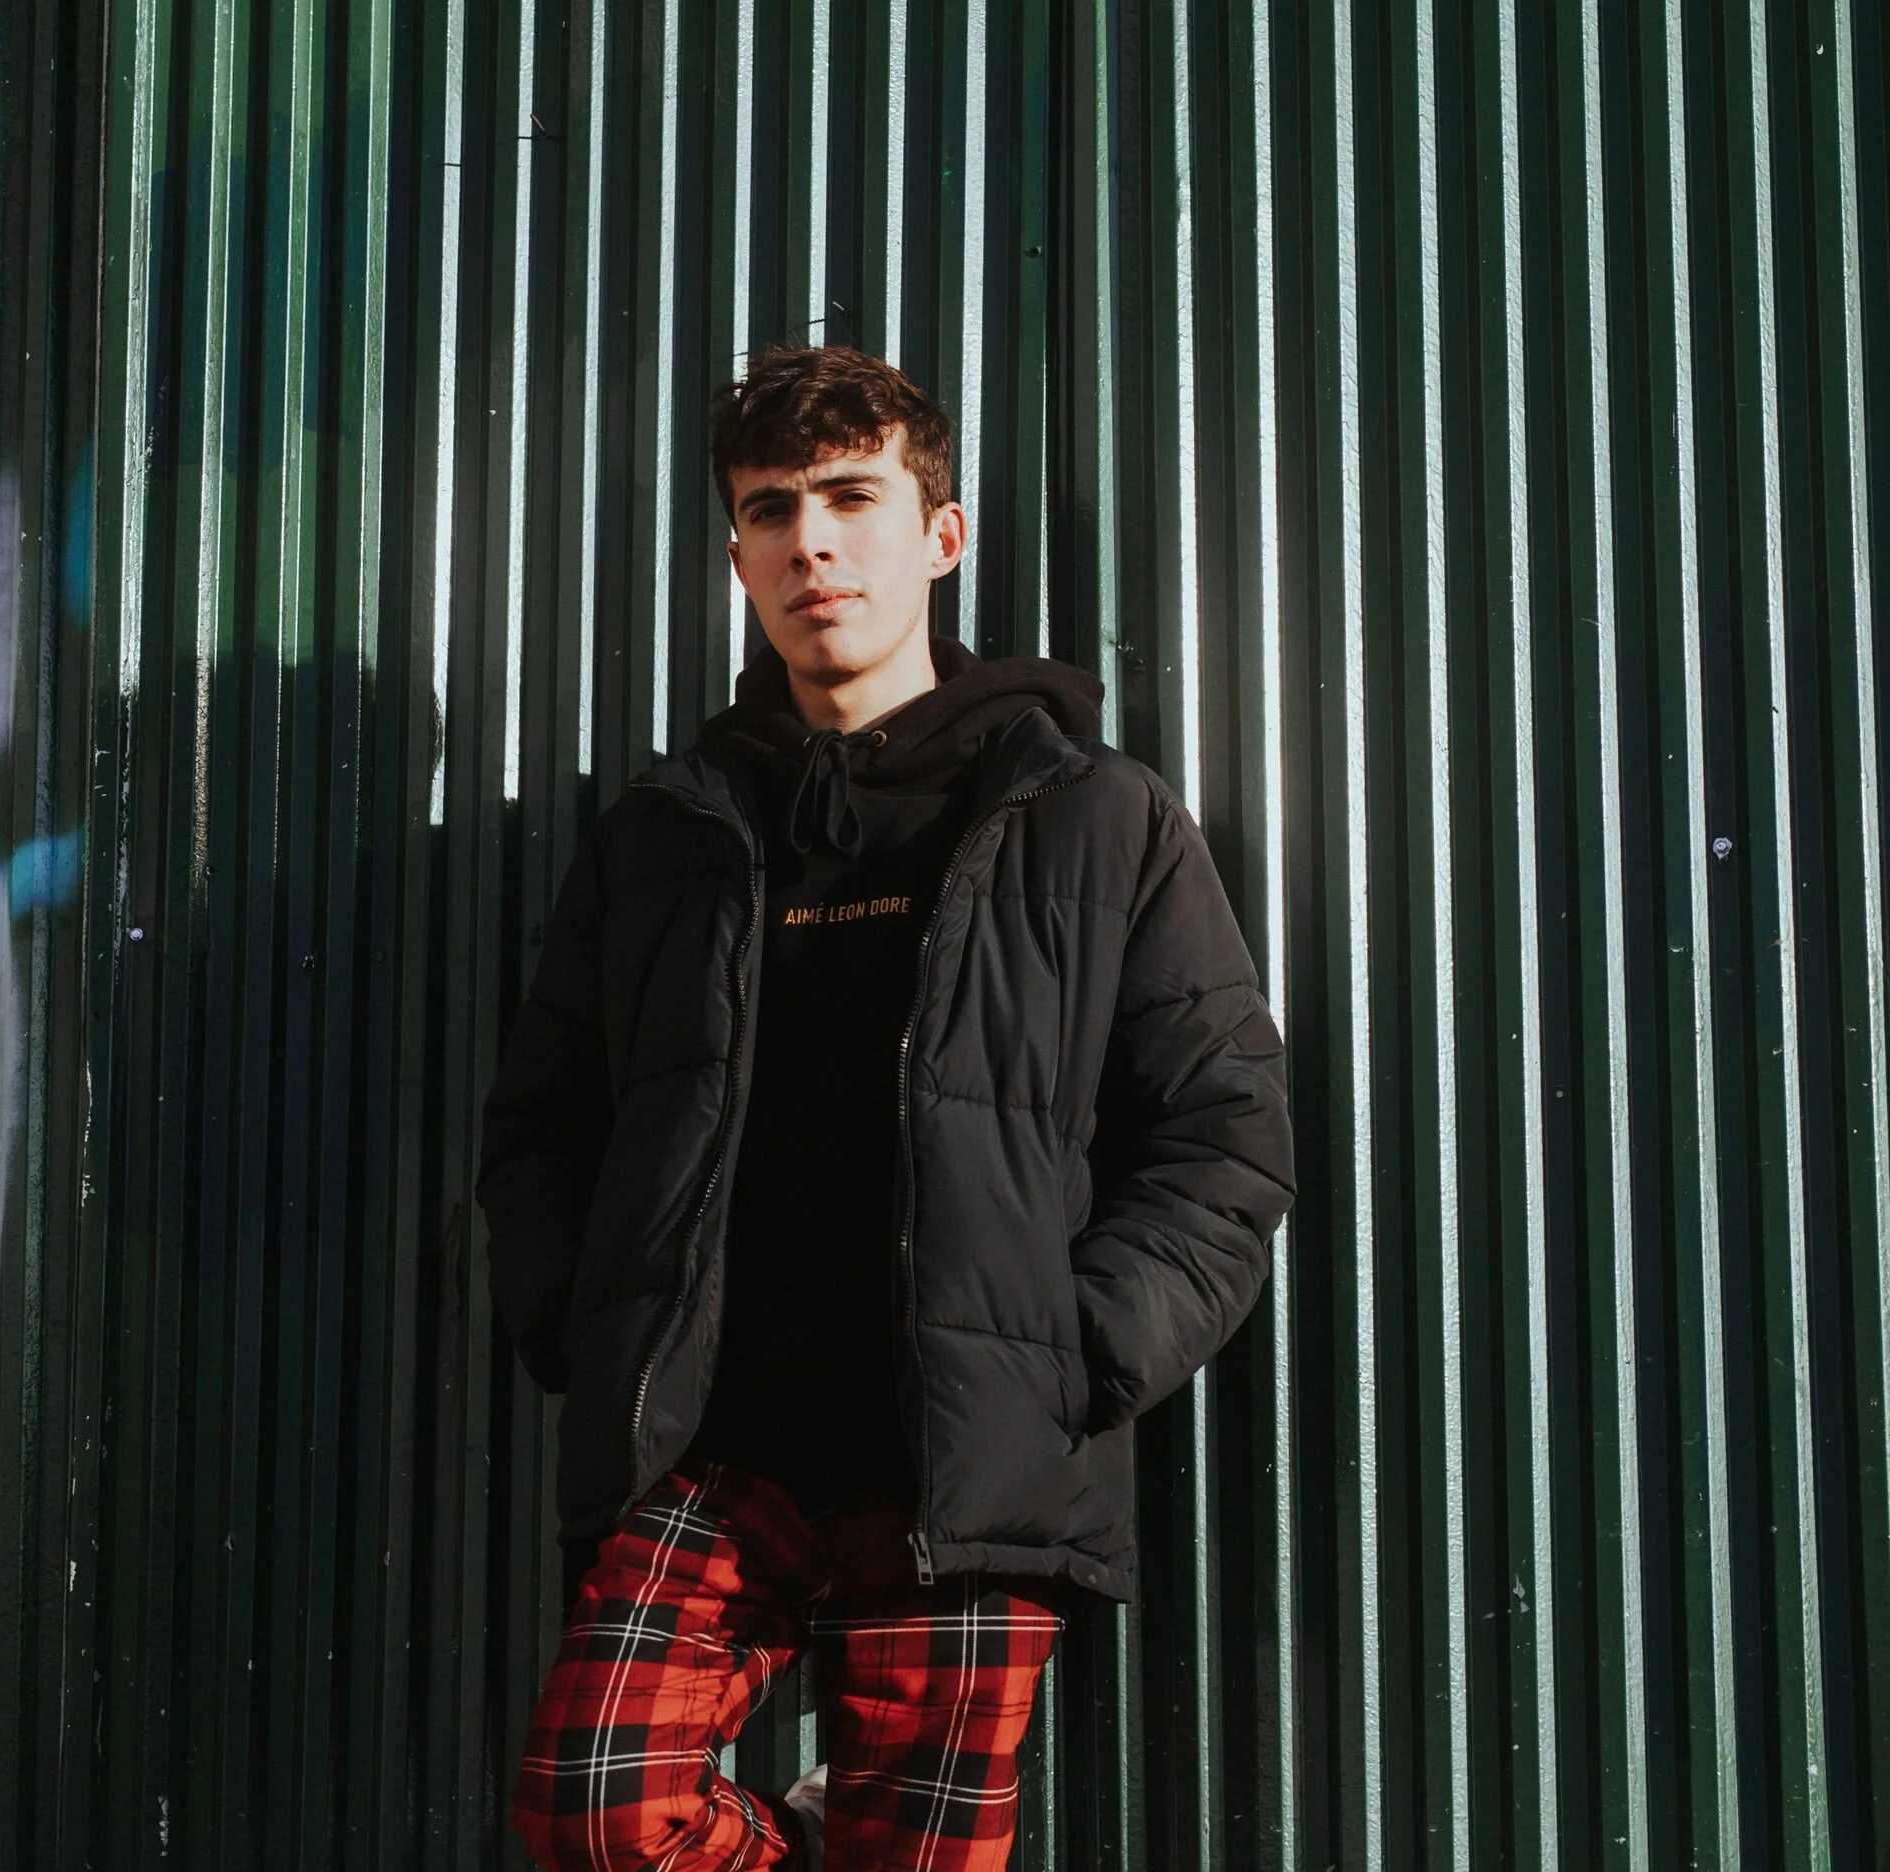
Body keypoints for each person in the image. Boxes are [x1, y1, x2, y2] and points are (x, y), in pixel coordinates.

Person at [476, 344, 1294, 1871]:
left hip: (966, 1463)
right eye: (770, 509)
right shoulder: (667, 833)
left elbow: (1223, 1138)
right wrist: (585, 1323)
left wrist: (1077, 1352)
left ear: (941, 534)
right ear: (739, 557)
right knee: (596, 1812)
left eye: (853, 498)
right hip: (713, 1452)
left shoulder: (1093, 817)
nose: (812, 543)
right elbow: (542, 1125)